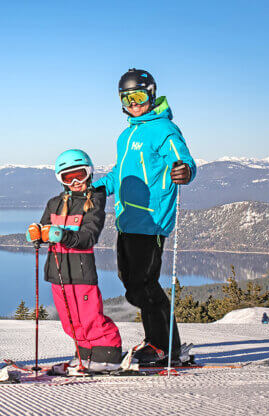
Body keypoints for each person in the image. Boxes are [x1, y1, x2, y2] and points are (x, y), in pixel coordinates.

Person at [92, 68, 196, 365]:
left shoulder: (164, 129)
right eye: (127, 98)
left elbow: (184, 161)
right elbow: (119, 174)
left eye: (139, 96)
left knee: (144, 284)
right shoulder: (127, 135)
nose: (134, 104)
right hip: (126, 221)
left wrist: (185, 172)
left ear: (152, 94)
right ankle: (161, 342)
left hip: (150, 222)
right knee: (132, 283)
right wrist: (96, 188)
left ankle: (164, 347)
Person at [26, 149, 123, 372]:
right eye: (68, 177)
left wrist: (62, 235)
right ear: (61, 179)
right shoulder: (54, 203)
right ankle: (85, 355)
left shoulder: (94, 201)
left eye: (80, 174)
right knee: (70, 320)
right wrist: (36, 234)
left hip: (80, 270)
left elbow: (89, 237)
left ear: (89, 173)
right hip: (57, 271)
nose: (76, 181)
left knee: (89, 316)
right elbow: (43, 229)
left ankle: (108, 353)